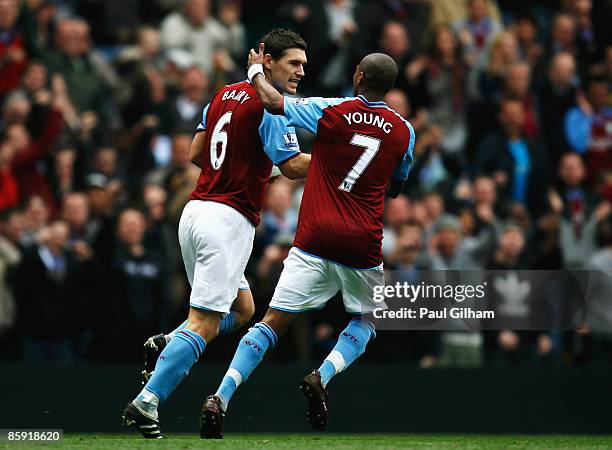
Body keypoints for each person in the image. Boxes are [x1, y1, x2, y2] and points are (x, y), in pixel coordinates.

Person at [199, 47, 415, 438]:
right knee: (365, 321)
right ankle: (323, 373)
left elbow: (273, 101)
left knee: (272, 322)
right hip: (363, 243)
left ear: (357, 76)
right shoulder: (404, 131)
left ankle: (220, 395)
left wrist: (254, 70)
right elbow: (396, 187)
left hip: (314, 237)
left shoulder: (330, 110)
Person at [121, 29, 311, 439]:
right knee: (205, 322)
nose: (299, 72)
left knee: (242, 309)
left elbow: (194, 153)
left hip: (195, 212)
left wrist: (254, 166)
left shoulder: (224, 94)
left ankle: (169, 340)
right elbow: (295, 166)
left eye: (302, 65)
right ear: (267, 61)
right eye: (293, 63)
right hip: (225, 221)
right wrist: (343, 162)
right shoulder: (272, 108)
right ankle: (147, 401)